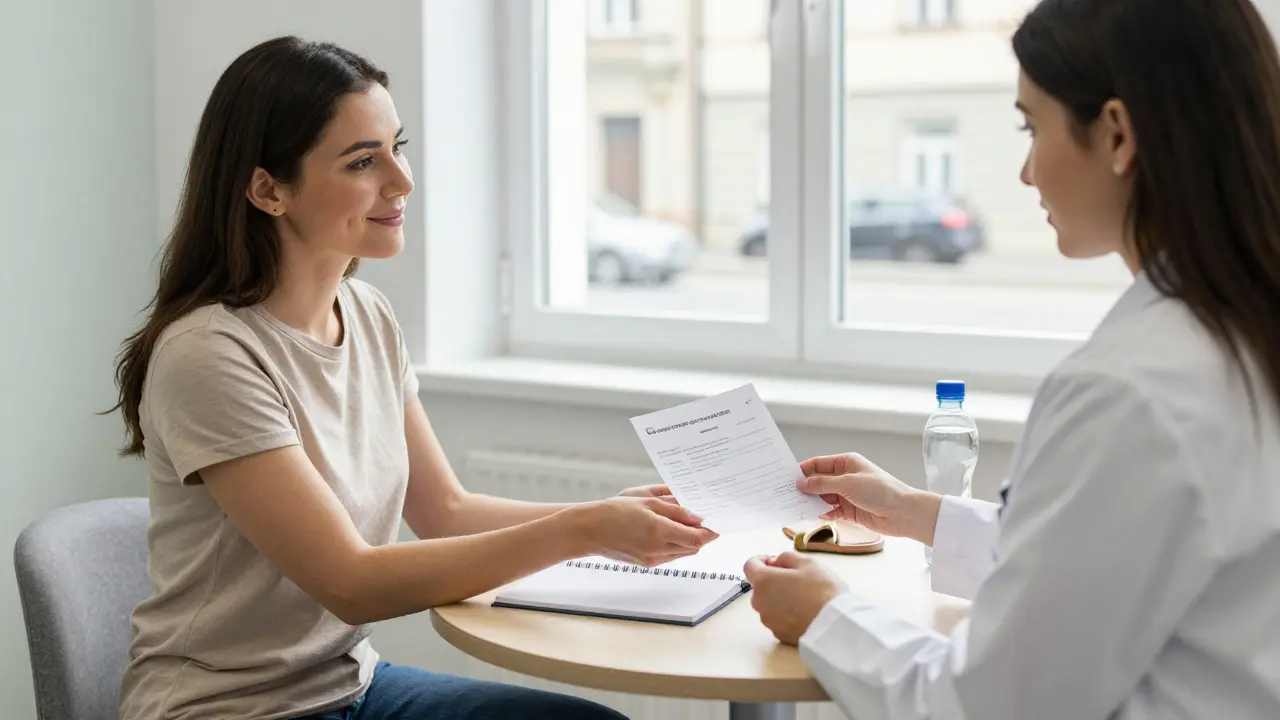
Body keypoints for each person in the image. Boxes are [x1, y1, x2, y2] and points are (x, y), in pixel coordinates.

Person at [107, 36, 717, 720]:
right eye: (363, 161)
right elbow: (352, 583)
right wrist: (583, 529)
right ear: (268, 190)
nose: (401, 181)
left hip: (348, 686)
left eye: (398, 147)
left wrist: (615, 514)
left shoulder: (367, 314)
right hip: (227, 709)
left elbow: (445, 512)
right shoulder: (210, 356)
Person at [744, 0, 1280, 717]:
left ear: (1117, 134)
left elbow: (989, 704)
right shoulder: (1238, 335)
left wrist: (825, 618)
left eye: (1033, 127)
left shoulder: (1133, 392)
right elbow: (1110, 565)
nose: (1027, 173)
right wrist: (918, 514)